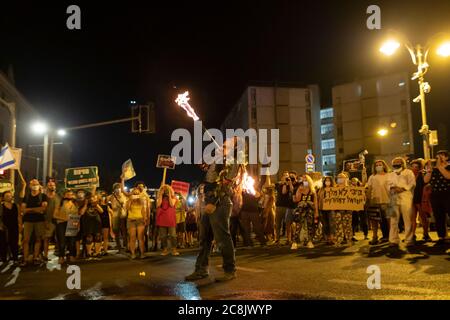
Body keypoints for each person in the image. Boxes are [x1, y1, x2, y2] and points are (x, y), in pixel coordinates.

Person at [185, 138, 243, 282]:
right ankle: (201, 269)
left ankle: (230, 270)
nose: (223, 143)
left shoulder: (232, 162)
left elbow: (224, 185)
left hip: (219, 202)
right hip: (208, 200)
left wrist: (214, 202)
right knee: (204, 239)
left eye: (227, 143)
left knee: (222, 238)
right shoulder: (219, 160)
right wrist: (204, 164)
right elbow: (211, 177)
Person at [386, 157, 416, 248]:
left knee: (407, 219)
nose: (396, 164)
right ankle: (393, 240)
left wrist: (402, 188)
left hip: (406, 196)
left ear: (402, 163)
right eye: (394, 163)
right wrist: (392, 188)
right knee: (393, 220)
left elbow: (412, 183)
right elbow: (387, 184)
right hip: (393, 197)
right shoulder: (390, 174)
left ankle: (409, 240)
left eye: (398, 162)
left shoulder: (408, 172)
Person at [424, 150, 450, 245]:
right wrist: (429, 170)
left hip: (447, 193)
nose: (439, 157)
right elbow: (426, 180)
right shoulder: (433, 168)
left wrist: (440, 166)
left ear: (447, 157)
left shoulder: (448, 166)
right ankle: (442, 236)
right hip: (435, 195)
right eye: (438, 155)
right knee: (439, 216)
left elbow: (448, 176)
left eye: (442, 155)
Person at [20, 179, 48, 266]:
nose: (34, 185)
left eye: (36, 184)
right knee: (26, 240)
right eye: (33, 184)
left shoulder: (43, 196)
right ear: (29, 186)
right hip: (28, 221)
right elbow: (22, 209)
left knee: (38, 239)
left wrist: (29, 210)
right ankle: (25, 259)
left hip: (39, 221)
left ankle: (36, 257)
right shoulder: (27, 196)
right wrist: (36, 209)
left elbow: (43, 209)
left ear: (39, 185)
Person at [366, 160, 391, 245]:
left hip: (387, 201)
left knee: (389, 220)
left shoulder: (389, 175)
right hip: (375, 201)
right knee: (374, 220)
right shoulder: (372, 177)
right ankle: (375, 237)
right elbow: (369, 189)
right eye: (377, 165)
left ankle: (391, 237)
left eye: (380, 164)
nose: (378, 166)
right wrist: (368, 200)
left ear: (384, 166)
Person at [291, 175, 319, 249]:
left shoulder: (312, 190)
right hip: (301, 209)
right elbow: (297, 200)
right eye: (303, 180)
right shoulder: (299, 188)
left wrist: (316, 212)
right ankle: (294, 242)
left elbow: (315, 202)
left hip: (310, 209)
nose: (304, 181)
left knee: (310, 225)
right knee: (298, 225)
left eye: (306, 179)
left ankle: (310, 241)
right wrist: (299, 191)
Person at [54, 190, 79, 264]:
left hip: (72, 223)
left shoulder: (75, 203)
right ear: (64, 195)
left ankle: (71, 256)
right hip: (61, 223)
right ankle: (61, 257)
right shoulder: (60, 203)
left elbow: (77, 215)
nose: (69, 195)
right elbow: (54, 215)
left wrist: (78, 225)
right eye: (68, 194)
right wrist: (64, 219)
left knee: (72, 241)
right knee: (62, 241)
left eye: (71, 194)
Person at [239, 177, 267, 248]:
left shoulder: (255, 188)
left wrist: (252, 189)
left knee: (257, 227)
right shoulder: (243, 189)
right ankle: (249, 244)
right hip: (244, 211)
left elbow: (257, 195)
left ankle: (263, 242)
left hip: (254, 211)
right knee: (246, 228)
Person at [411, 159, 431, 242]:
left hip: (420, 198)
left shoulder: (422, 174)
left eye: (416, 167)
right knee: (412, 218)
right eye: (413, 167)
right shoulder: (409, 175)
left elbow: (427, 183)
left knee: (423, 218)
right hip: (411, 199)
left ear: (419, 167)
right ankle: (412, 235)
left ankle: (426, 234)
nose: (414, 168)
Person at [156, 184, 179, 256]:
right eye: (164, 189)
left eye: (167, 189)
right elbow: (158, 205)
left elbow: (172, 204)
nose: (165, 191)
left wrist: (169, 194)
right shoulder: (160, 197)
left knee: (173, 235)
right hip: (162, 219)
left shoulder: (174, 197)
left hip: (170, 219)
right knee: (163, 236)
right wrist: (160, 194)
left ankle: (174, 249)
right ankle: (165, 249)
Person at [0, 191, 22, 264]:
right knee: (3, 243)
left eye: (10, 196)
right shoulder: (1, 206)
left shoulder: (16, 205)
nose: (9, 197)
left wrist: (20, 225)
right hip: (4, 227)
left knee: (14, 243)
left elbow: (19, 216)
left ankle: (15, 258)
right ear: (3, 198)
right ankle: (4, 258)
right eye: (7, 196)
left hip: (14, 226)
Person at [332, 173, 353, 246]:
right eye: (339, 177)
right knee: (338, 226)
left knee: (348, 225)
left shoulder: (350, 188)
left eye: (342, 177)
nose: (340, 178)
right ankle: (338, 240)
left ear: (346, 179)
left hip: (347, 210)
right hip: (337, 210)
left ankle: (349, 240)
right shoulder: (333, 188)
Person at [126, 188, 148, 259]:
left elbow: (143, 211)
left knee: (140, 237)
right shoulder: (129, 200)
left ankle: (142, 253)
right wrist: (131, 199)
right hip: (131, 220)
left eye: (137, 194)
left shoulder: (141, 201)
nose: (136, 195)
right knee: (132, 237)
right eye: (134, 194)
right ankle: (133, 253)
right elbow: (127, 208)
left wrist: (145, 219)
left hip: (140, 220)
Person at [43, 179, 60, 261]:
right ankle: (45, 255)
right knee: (47, 238)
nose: (52, 186)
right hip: (48, 221)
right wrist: (45, 221)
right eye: (50, 185)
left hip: (58, 221)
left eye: (53, 185)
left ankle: (60, 254)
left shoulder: (58, 196)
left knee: (59, 238)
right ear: (47, 187)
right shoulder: (44, 197)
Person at [109, 183, 128, 251]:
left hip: (123, 215)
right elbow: (105, 201)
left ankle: (126, 245)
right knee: (116, 231)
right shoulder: (112, 196)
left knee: (124, 230)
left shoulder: (124, 195)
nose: (118, 189)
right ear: (114, 189)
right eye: (116, 188)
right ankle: (118, 246)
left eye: (119, 188)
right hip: (115, 216)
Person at [274, 171, 291, 245]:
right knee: (278, 224)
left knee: (288, 224)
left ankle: (289, 239)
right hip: (279, 207)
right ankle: (277, 239)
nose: (286, 177)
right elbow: (283, 192)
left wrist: (288, 184)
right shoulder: (278, 184)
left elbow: (287, 191)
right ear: (282, 177)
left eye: (287, 176)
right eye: (285, 176)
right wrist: (284, 183)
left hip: (287, 206)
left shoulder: (289, 184)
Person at [318, 176, 335, 245]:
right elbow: (319, 198)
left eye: (329, 180)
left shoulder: (334, 189)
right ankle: (327, 238)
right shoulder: (321, 189)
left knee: (331, 224)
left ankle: (332, 238)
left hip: (331, 209)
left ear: (331, 182)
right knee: (325, 224)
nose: (327, 182)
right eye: (326, 180)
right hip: (322, 209)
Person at [99, 191, 113, 255]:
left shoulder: (108, 205)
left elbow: (112, 213)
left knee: (105, 237)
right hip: (98, 221)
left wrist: (109, 210)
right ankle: (98, 250)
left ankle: (105, 250)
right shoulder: (97, 204)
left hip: (106, 221)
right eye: (102, 196)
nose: (103, 197)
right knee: (98, 237)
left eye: (104, 196)